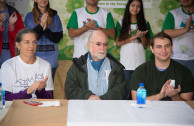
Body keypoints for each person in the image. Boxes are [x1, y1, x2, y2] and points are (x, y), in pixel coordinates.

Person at [129, 32, 194, 101]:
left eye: (167, 46)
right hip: (147, 110)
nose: (164, 50)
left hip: (174, 111)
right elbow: (136, 101)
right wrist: (160, 96)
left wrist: (175, 96)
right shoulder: (140, 71)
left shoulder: (184, 72)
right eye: (159, 47)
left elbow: (188, 105)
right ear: (152, 49)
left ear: (172, 47)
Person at [65, 30, 126, 100]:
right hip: (85, 107)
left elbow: (120, 89)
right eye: (98, 44)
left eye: (105, 44)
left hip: (108, 107)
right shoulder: (78, 65)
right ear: (89, 45)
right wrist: (88, 96)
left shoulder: (116, 67)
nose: (102, 48)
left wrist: (102, 100)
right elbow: (70, 89)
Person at [0, 28, 54, 101]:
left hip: (38, 110)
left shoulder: (45, 65)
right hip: (16, 109)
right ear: (18, 45)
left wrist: (40, 90)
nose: (31, 45)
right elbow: (4, 98)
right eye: (27, 42)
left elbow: (48, 99)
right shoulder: (7, 66)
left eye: (34, 42)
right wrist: (28, 91)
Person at [115, 0, 153, 99]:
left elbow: (145, 45)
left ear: (141, 9)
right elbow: (118, 43)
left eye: (138, 6)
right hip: (126, 63)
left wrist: (142, 37)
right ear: (128, 6)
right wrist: (135, 36)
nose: (135, 8)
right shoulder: (120, 22)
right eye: (133, 5)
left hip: (140, 63)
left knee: (138, 92)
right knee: (125, 91)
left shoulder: (145, 23)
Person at [25, 0, 63, 80]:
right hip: (34, 59)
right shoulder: (29, 16)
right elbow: (29, 38)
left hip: (51, 60)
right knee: (34, 89)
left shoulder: (55, 16)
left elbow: (57, 38)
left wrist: (45, 30)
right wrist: (41, 25)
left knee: (48, 90)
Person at [162, 0, 194, 76]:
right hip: (176, 58)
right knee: (176, 86)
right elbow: (166, 33)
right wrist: (185, 29)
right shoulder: (173, 13)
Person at [0, 0, 24, 67]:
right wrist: (0, 24)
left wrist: (11, 25)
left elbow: (20, 38)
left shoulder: (14, 12)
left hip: (10, 54)